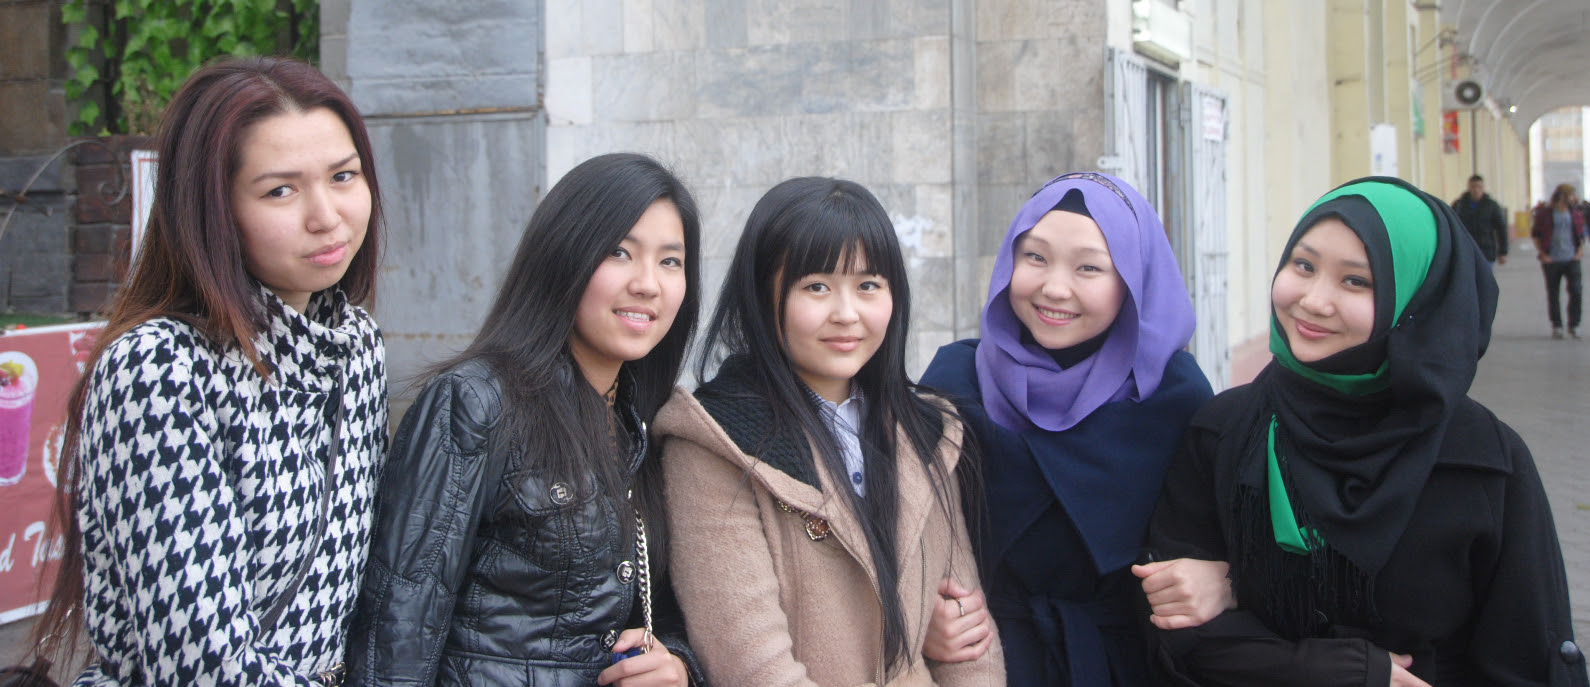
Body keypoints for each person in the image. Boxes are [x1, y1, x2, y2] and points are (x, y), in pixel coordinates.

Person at [1144, 176, 1588, 686]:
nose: (1314, 300)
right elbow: (1176, 638)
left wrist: (1237, 590)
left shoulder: (1482, 461)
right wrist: (1340, 672)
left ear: (1417, 302)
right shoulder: (1225, 432)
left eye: (1356, 281)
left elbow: (1526, 658)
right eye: (1303, 265)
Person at [26, 56, 387, 685]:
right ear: (212, 210)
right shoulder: (160, 369)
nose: (326, 215)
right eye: (280, 190)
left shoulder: (355, 346)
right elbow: (202, 665)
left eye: (343, 176)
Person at [346, 152, 700, 686]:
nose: (648, 283)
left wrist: (677, 666)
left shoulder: (645, 422)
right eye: (619, 252)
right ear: (563, 255)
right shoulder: (476, 403)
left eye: (670, 261)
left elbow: (662, 609)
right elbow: (399, 625)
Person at [655, 177, 1005, 686]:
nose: (847, 314)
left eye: (868, 285)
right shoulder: (715, 441)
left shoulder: (927, 431)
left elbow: (972, 648)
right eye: (816, 286)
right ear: (762, 296)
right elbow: (754, 668)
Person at [917, 171, 1215, 686]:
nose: (1055, 287)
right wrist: (924, 613)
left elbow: (1224, 536)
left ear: (1134, 281)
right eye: (1034, 257)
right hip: (987, 661)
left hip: (1131, 662)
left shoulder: (1173, 395)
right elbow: (904, 532)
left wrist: (1223, 581)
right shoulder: (955, 381)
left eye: (1089, 267)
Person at [1531, 183, 1585, 339]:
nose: (1574, 198)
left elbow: (1581, 235)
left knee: (1576, 291)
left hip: (1572, 259)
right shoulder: (1545, 214)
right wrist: (1543, 254)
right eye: (1572, 195)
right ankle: (1557, 325)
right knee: (1553, 293)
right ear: (1563, 196)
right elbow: (1536, 235)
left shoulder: (1575, 213)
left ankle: (1574, 325)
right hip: (1552, 260)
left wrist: (1579, 252)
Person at [1451, 174, 1508, 265]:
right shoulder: (1459, 205)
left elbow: (1501, 228)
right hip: (1466, 251)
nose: (1476, 190)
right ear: (1468, 187)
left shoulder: (1491, 206)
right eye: (1473, 186)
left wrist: (1503, 252)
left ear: (1483, 188)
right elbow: (1452, 227)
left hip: (1486, 252)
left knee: (1486, 274)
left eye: (1479, 187)